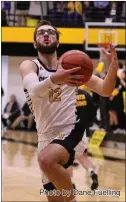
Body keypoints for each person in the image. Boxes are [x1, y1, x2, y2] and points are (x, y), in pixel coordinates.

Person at [19, 20, 118, 202]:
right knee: (55, 199)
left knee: (45, 159)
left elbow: (105, 89)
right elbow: (33, 90)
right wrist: (56, 79)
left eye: (51, 32)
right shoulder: (29, 66)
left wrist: (113, 65)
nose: (46, 34)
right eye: (41, 33)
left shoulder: (72, 66)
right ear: (35, 43)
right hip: (45, 136)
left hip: (71, 130)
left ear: (58, 41)